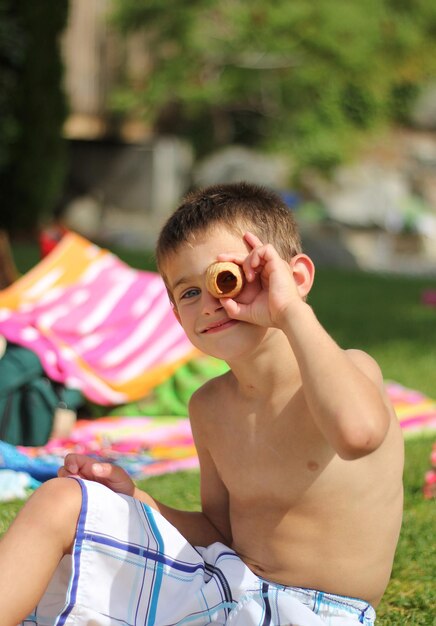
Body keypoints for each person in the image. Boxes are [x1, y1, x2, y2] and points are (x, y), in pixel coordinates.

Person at [0, 182, 404, 625]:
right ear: (176, 314)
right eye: (188, 293)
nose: (211, 302)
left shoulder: (351, 371)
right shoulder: (209, 406)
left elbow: (358, 434)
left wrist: (289, 309)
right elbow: (219, 533)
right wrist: (136, 498)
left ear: (296, 278)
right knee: (65, 503)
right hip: (226, 590)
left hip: (316, 613)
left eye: (227, 277)